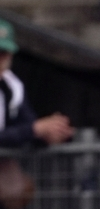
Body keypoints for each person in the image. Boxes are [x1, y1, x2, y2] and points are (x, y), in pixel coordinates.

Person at [0, 20, 73, 149]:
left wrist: (49, 133)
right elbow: (30, 129)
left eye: (4, 54)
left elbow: (28, 126)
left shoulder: (12, 85)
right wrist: (34, 130)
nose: (1, 59)